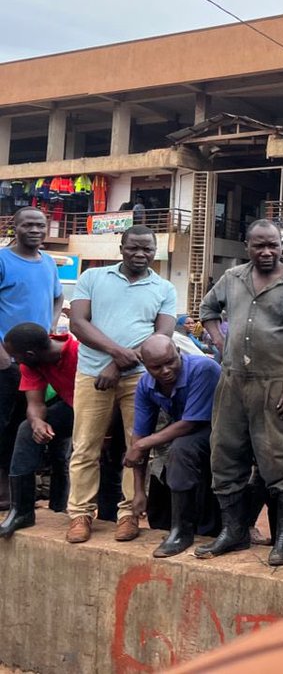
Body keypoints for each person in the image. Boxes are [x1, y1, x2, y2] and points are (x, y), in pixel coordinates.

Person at [196, 220, 283, 567]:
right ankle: (233, 531)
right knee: (225, 455)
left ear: (282, 246)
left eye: (273, 245)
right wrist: (221, 342)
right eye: (259, 246)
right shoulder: (232, 278)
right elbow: (207, 310)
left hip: (278, 383)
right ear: (246, 246)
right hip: (233, 381)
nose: (266, 252)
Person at [67, 225, 176, 544]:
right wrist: (115, 353)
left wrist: (117, 364)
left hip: (140, 378)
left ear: (155, 251)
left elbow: (163, 335)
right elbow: (78, 323)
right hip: (91, 373)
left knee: (137, 445)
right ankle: (80, 513)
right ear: (121, 248)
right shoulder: (92, 277)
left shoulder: (164, 288)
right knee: (85, 445)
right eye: (133, 248)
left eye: (147, 249)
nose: (140, 254)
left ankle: (129, 514)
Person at [124, 334, 221, 558]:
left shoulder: (203, 368)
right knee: (174, 454)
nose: (166, 371)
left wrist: (142, 444)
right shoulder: (146, 385)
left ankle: (182, 532)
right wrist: (138, 491)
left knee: (181, 449)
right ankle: (178, 527)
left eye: (170, 362)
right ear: (145, 365)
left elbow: (190, 424)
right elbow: (139, 435)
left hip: (223, 427)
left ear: (178, 352)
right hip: (190, 432)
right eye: (156, 367)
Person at [0, 207, 63, 511]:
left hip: (36, 363)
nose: (35, 230)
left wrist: (51, 325)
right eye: (28, 225)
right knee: (3, 423)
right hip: (6, 361)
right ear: (15, 227)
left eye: (40, 225)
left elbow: (58, 297)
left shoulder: (48, 262)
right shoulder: (3, 259)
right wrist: (2, 355)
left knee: (25, 424)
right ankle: (3, 491)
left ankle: (19, 492)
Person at [0, 323, 76, 536]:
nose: (15, 361)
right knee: (26, 429)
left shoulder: (78, 352)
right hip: (71, 407)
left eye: (16, 356)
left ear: (30, 354)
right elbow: (35, 403)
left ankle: (108, 516)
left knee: (107, 456)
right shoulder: (31, 364)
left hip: (105, 409)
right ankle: (22, 511)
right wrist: (37, 422)